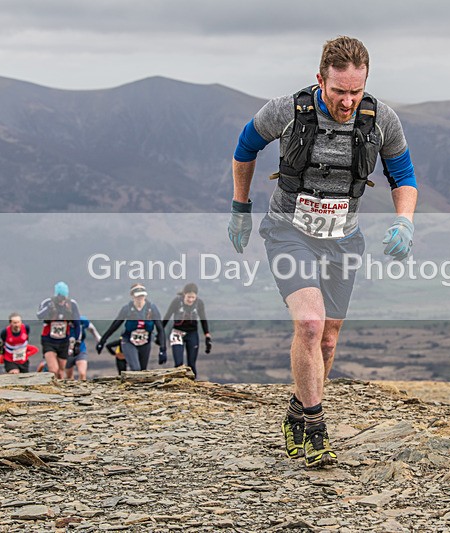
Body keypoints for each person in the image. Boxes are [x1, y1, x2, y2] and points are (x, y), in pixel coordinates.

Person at [228, 36, 418, 468]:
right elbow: (245, 147)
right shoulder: (286, 110)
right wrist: (241, 207)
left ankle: (297, 411)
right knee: (310, 324)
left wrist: (405, 220)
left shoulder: (381, 119)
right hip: (288, 230)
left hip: (343, 238)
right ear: (321, 80)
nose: (348, 101)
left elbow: (403, 175)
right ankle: (314, 426)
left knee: (328, 341)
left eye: (356, 90)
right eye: (339, 91)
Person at [96, 284, 167, 371]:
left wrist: (163, 349)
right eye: (138, 296)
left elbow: (160, 328)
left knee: (143, 371)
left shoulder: (152, 308)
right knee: (136, 369)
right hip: (129, 342)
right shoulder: (127, 309)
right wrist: (102, 341)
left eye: (142, 295)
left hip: (145, 342)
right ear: (132, 296)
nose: (140, 298)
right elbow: (115, 326)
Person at [163, 283, 212, 378]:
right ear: (184, 294)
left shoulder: (199, 303)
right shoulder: (177, 301)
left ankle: (193, 387)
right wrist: (160, 333)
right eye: (188, 297)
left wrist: (207, 335)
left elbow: (203, 319)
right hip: (177, 332)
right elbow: (167, 316)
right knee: (178, 364)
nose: (190, 300)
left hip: (192, 333)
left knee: (192, 364)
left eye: (193, 297)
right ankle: (177, 385)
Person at [36, 282, 82, 379]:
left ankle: (60, 391)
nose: (61, 300)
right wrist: (49, 308)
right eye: (60, 297)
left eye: (64, 297)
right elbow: (39, 315)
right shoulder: (48, 302)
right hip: (48, 340)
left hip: (64, 341)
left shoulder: (72, 304)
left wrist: (77, 342)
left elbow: (77, 324)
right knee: (54, 369)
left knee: (61, 371)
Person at [65, 315, 101, 381]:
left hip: (80, 349)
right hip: (66, 351)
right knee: (69, 377)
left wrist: (100, 341)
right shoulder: (62, 321)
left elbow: (92, 329)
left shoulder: (82, 320)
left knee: (82, 373)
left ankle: (82, 388)